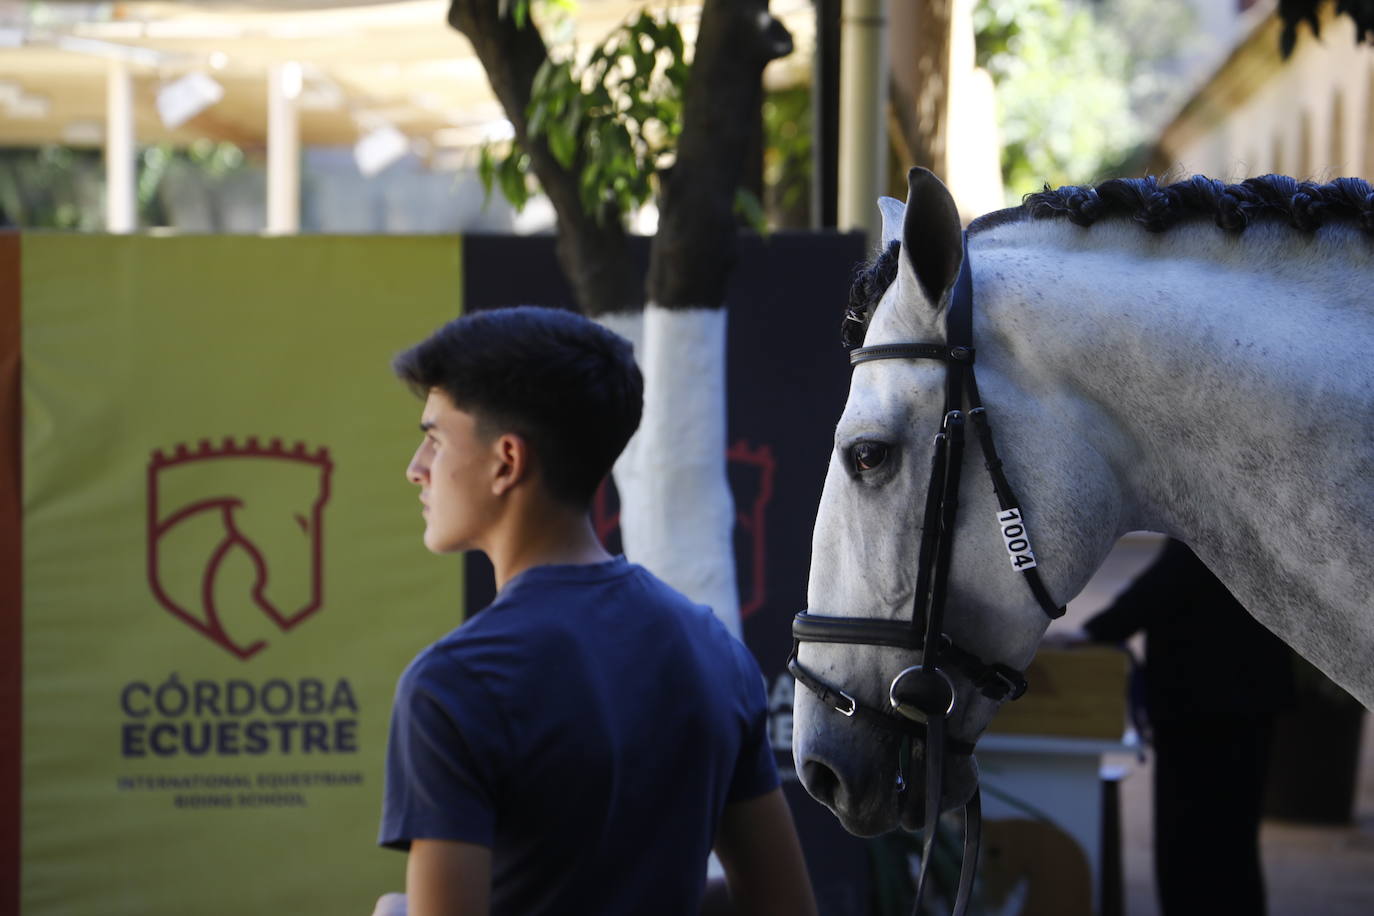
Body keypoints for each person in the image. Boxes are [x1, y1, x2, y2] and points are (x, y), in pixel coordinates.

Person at [374, 306, 817, 916]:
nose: (415, 469)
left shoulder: (454, 685)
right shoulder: (713, 652)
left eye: (434, 438)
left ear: (507, 461)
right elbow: (783, 906)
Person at [1073, 538, 1293, 916]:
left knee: (1192, 841)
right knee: (1233, 838)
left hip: (1202, 710)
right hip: (1244, 702)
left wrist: (1092, 633)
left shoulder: (1209, 520)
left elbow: (1163, 586)